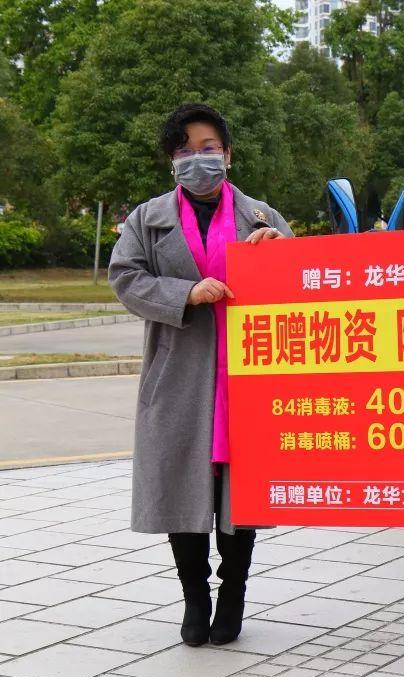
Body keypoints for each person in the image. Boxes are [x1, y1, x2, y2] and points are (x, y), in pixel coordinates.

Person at [109, 103, 292, 647]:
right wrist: (185, 292)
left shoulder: (262, 216)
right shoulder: (147, 219)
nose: (197, 159)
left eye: (208, 148)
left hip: (248, 376)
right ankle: (195, 597)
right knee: (180, 486)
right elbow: (125, 277)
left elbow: (304, 284)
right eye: (184, 150)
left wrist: (279, 255)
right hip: (179, 374)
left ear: (228, 154)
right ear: (172, 160)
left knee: (240, 494)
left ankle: (233, 595)